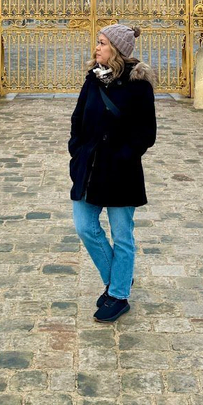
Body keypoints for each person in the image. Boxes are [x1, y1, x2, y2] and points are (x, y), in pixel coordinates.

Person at [68, 23, 156, 322]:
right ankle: (119, 279)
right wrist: (76, 149)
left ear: (117, 50)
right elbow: (78, 117)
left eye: (103, 43)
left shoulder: (139, 85)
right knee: (84, 226)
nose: (97, 48)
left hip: (121, 172)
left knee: (122, 236)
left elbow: (147, 133)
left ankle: (118, 295)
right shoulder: (92, 80)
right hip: (89, 167)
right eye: (98, 42)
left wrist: (123, 157)